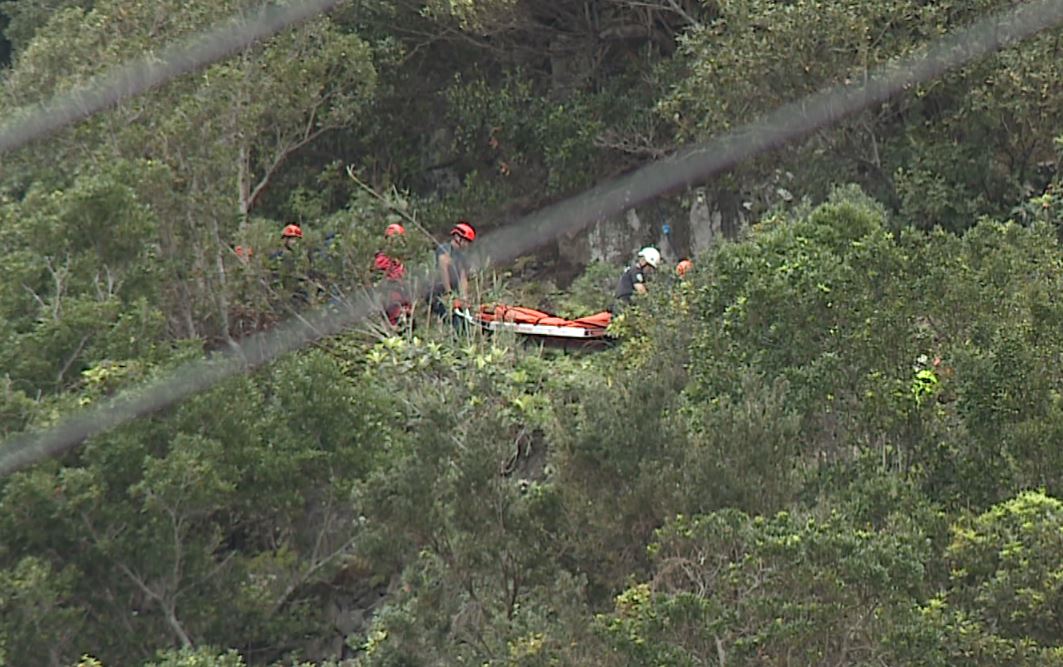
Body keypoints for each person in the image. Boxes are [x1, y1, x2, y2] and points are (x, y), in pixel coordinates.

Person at [433, 220, 476, 323]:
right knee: (454, 320)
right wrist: (449, 294)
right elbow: (443, 269)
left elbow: (463, 278)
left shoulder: (462, 257)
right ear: (458, 238)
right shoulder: (444, 249)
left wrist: (463, 298)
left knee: (465, 321)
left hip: (454, 294)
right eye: (465, 241)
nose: (467, 245)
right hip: (440, 293)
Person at [373, 223, 411, 325]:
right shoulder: (382, 259)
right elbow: (380, 280)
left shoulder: (402, 259)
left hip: (403, 299)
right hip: (391, 298)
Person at [613, 246, 660, 311]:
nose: (650, 270)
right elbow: (640, 289)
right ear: (644, 262)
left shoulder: (634, 270)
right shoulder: (636, 271)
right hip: (625, 304)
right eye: (650, 267)